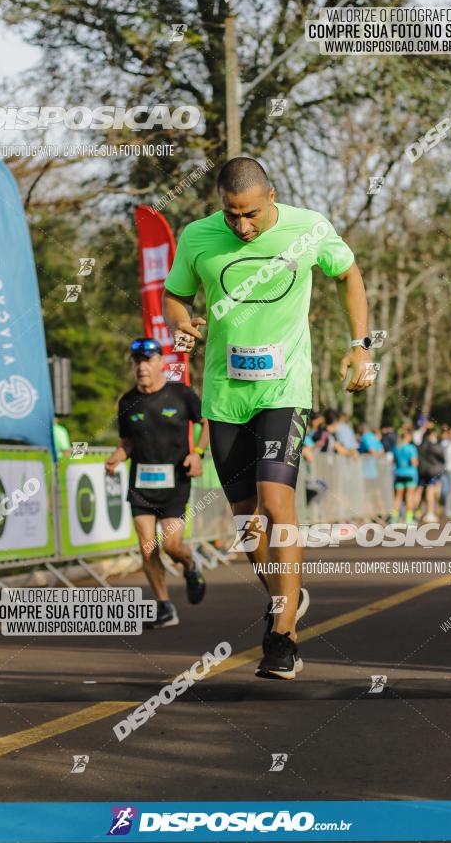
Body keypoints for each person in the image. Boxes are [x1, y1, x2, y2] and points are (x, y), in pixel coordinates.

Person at [162, 156, 372, 679]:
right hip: (226, 395)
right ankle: (287, 595)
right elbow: (173, 296)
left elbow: (348, 274)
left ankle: (283, 636)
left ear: (271, 196)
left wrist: (360, 345)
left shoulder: (309, 227)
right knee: (245, 520)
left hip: (285, 388)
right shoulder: (197, 237)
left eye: (251, 215)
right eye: (232, 216)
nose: (242, 226)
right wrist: (182, 323)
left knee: (278, 501)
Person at [105, 337, 210, 627]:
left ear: (160, 362)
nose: (142, 366)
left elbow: (207, 423)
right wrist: (117, 456)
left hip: (175, 482)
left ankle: (190, 564)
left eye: (148, 360)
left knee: (172, 546)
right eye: (137, 361)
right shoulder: (127, 401)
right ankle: (164, 605)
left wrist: (198, 453)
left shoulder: (182, 395)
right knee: (148, 546)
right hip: (141, 485)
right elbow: (126, 442)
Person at [416, 426, 445, 522]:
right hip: (433, 471)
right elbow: (441, 454)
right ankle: (430, 512)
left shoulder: (420, 445)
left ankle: (415, 512)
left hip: (422, 471)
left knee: (420, 491)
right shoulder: (432, 445)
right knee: (432, 490)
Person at [391, 427, 419, 524]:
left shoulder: (396, 447)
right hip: (410, 474)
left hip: (399, 474)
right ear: (408, 436)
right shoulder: (411, 448)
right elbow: (414, 462)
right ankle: (409, 518)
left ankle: (394, 518)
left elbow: (394, 461)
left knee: (398, 497)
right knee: (409, 496)